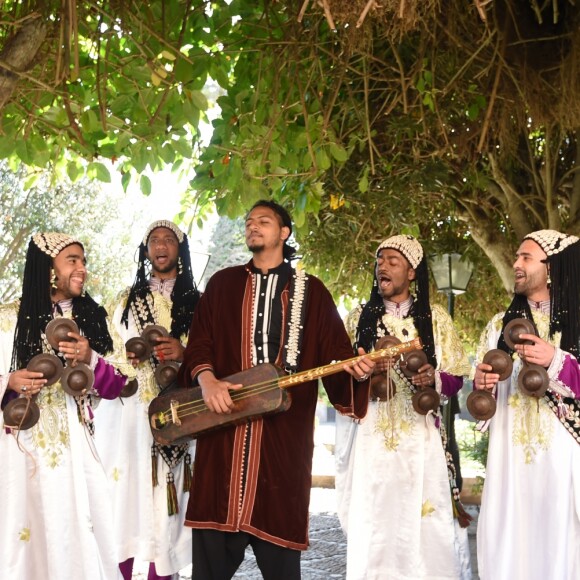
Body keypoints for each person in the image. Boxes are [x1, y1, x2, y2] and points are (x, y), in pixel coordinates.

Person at [177, 199, 375, 580]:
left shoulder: (313, 292)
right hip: (224, 435)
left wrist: (359, 371)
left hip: (284, 443)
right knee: (209, 563)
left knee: (281, 561)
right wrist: (207, 381)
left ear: (284, 233)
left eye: (263, 221)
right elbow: (199, 343)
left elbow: (336, 358)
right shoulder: (222, 285)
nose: (253, 226)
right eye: (249, 221)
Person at [336, 234, 473, 579]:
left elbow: (457, 375)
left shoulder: (436, 319)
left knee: (425, 531)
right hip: (370, 443)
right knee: (375, 529)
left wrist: (433, 378)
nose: (382, 266)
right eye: (379, 261)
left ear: (412, 273)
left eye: (392, 261)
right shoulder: (358, 320)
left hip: (420, 440)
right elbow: (338, 382)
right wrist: (361, 373)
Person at [0, 233, 134, 580]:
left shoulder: (93, 317)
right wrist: (9, 382)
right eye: (72, 260)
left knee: (82, 534)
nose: (82, 269)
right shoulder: (7, 319)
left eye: (84, 261)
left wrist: (89, 356)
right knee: (28, 537)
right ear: (48, 269)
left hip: (78, 447)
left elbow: (122, 382)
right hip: (23, 450)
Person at [94, 220, 201, 580]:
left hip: (181, 409)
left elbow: (213, 354)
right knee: (126, 498)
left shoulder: (198, 303)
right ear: (145, 251)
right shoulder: (125, 301)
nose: (160, 245)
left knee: (168, 505)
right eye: (154, 240)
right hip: (132, 411)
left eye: (168, 239)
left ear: (179, 250)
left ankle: (163, 574)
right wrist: (129, 358)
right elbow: (107, 354)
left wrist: (184, 351)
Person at [473, 229, 580, 580]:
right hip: (511, 462)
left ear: (551, 268)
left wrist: (555, 359)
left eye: (526, 257)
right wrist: (483, 388)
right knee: (511, 543)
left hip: (563, 459)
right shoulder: (496, 328)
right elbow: (481, 401)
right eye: (516, 257)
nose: (516, 264)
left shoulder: (577, 324)